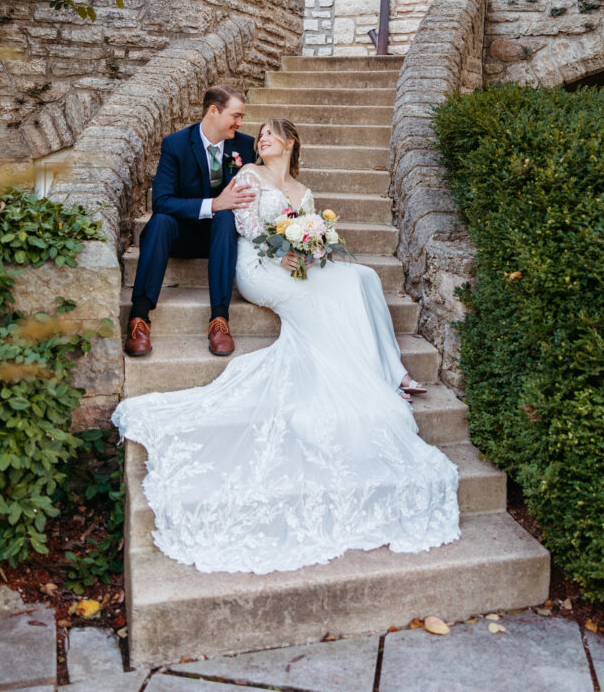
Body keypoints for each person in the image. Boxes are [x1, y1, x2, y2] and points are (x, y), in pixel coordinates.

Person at [113, 117, 460, 575]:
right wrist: (285, 251)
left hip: (297, 263)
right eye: (259, 136)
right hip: (258, 265)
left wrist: (314, 249)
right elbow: (246, 227)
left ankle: (391, 371)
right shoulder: (248, 175)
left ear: (290, 143)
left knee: (363, 275)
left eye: (270, 135)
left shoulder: (303, 189)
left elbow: (313, 232)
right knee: (327, 295)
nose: (262, 140)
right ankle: (377, 376)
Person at [124, 84, 256, 358]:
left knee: (225, 217)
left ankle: (219, 321)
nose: (240, 122)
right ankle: (139, 318)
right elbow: (161, 200)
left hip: (222, 237)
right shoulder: (176, 144)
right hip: (181, 234)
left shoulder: (245, 146)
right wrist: (212, 204)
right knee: (160, 221)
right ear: (213, 111)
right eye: (235, 115)